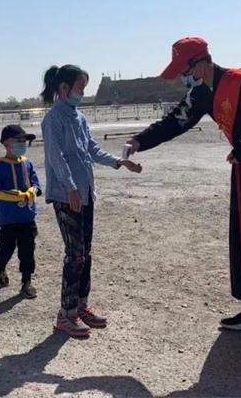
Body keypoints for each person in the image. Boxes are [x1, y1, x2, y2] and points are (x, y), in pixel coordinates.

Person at [126, 37, 241, 330]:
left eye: (185, 71)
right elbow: (176, 121)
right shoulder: (201, 93)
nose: (184, 77)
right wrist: (139, 141)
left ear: (201, 63)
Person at [40, 65, 142, 338]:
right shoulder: (53, 120)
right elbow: (56, 158)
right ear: (64, 88)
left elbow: (91, 149)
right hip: (66, 196)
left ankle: (81, 305)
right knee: (74, 254)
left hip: (85, 194)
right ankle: (66, 313)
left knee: (85, 253)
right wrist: (70, 188)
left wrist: (119, 162)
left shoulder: (80, 118)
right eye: (80, 88)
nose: (82, 94)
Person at [0, 124, 41, 299]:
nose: (22, 144)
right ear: (7, 143)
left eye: (24, 141)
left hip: (27, 217)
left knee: (27, 251)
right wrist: (17, 196)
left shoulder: (28, 163)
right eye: (19, 141)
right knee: (6, 248)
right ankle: (0, 266)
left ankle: (26, 281)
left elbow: (36, 184)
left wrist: (32, 191)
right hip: (8, 219)